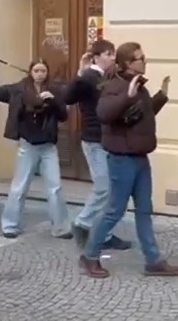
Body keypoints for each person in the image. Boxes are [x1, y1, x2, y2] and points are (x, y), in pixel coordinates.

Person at [79, 41, 178, 278]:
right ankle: (89, 256)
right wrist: (128, 95)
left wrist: (161, 97)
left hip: (139, 157)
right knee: (114, 210)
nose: (145, 61)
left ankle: (153, 261)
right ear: (127, 63)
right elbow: (104, 113)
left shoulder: (137, 86)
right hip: (121, 158)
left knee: (145, 209)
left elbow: (139, 116)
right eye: (140, 58)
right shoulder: (114, 85)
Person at [0, 59, 72, 239]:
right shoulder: (19, 89)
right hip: (27, 143)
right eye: (36, 70)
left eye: (43, 71)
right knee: (19, 187)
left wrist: (52, 102)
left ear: (47, 73)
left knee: (55, 187)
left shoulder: (55, 90)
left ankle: (61, 227)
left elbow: (63, 116)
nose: (40, 74)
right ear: (31, 72)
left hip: (48, 146)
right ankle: (10, 225)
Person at [65, 39, 132, 250]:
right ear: (96, 57)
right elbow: (68, 97)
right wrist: (80, 73)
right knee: (104, 188)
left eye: (113, 54)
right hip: (94, 140)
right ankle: (81, 223)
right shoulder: (89, 77)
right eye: (108, 54)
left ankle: (105, 234)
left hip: (107, 139)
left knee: (111, 189)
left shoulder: (105, 77)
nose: (112, 57)